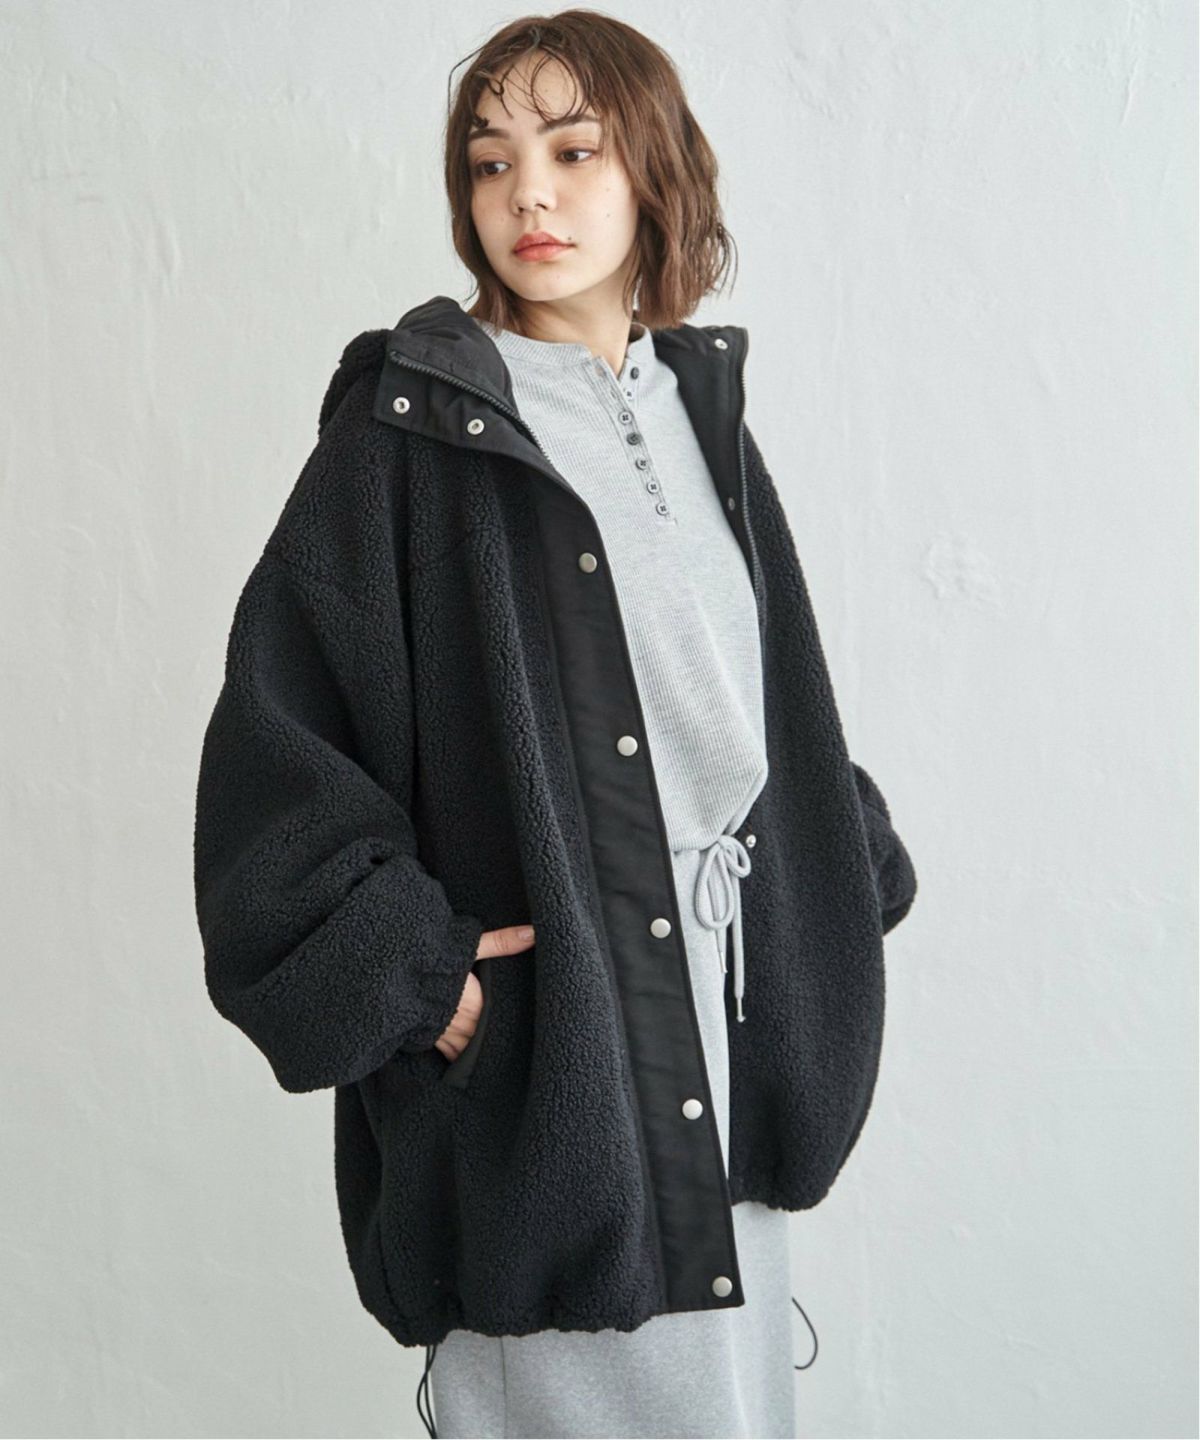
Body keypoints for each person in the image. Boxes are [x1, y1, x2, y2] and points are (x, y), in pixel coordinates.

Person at [193, 11, 918, 1440]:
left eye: (574, 150)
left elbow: (751, 703)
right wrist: (432, 987)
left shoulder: (702, 414)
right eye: (491, 160)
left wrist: (837, 870)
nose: (527, 191)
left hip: (732, 1028)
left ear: (653, 169)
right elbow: (275, 776)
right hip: (559, 1060)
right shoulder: (407, 435)